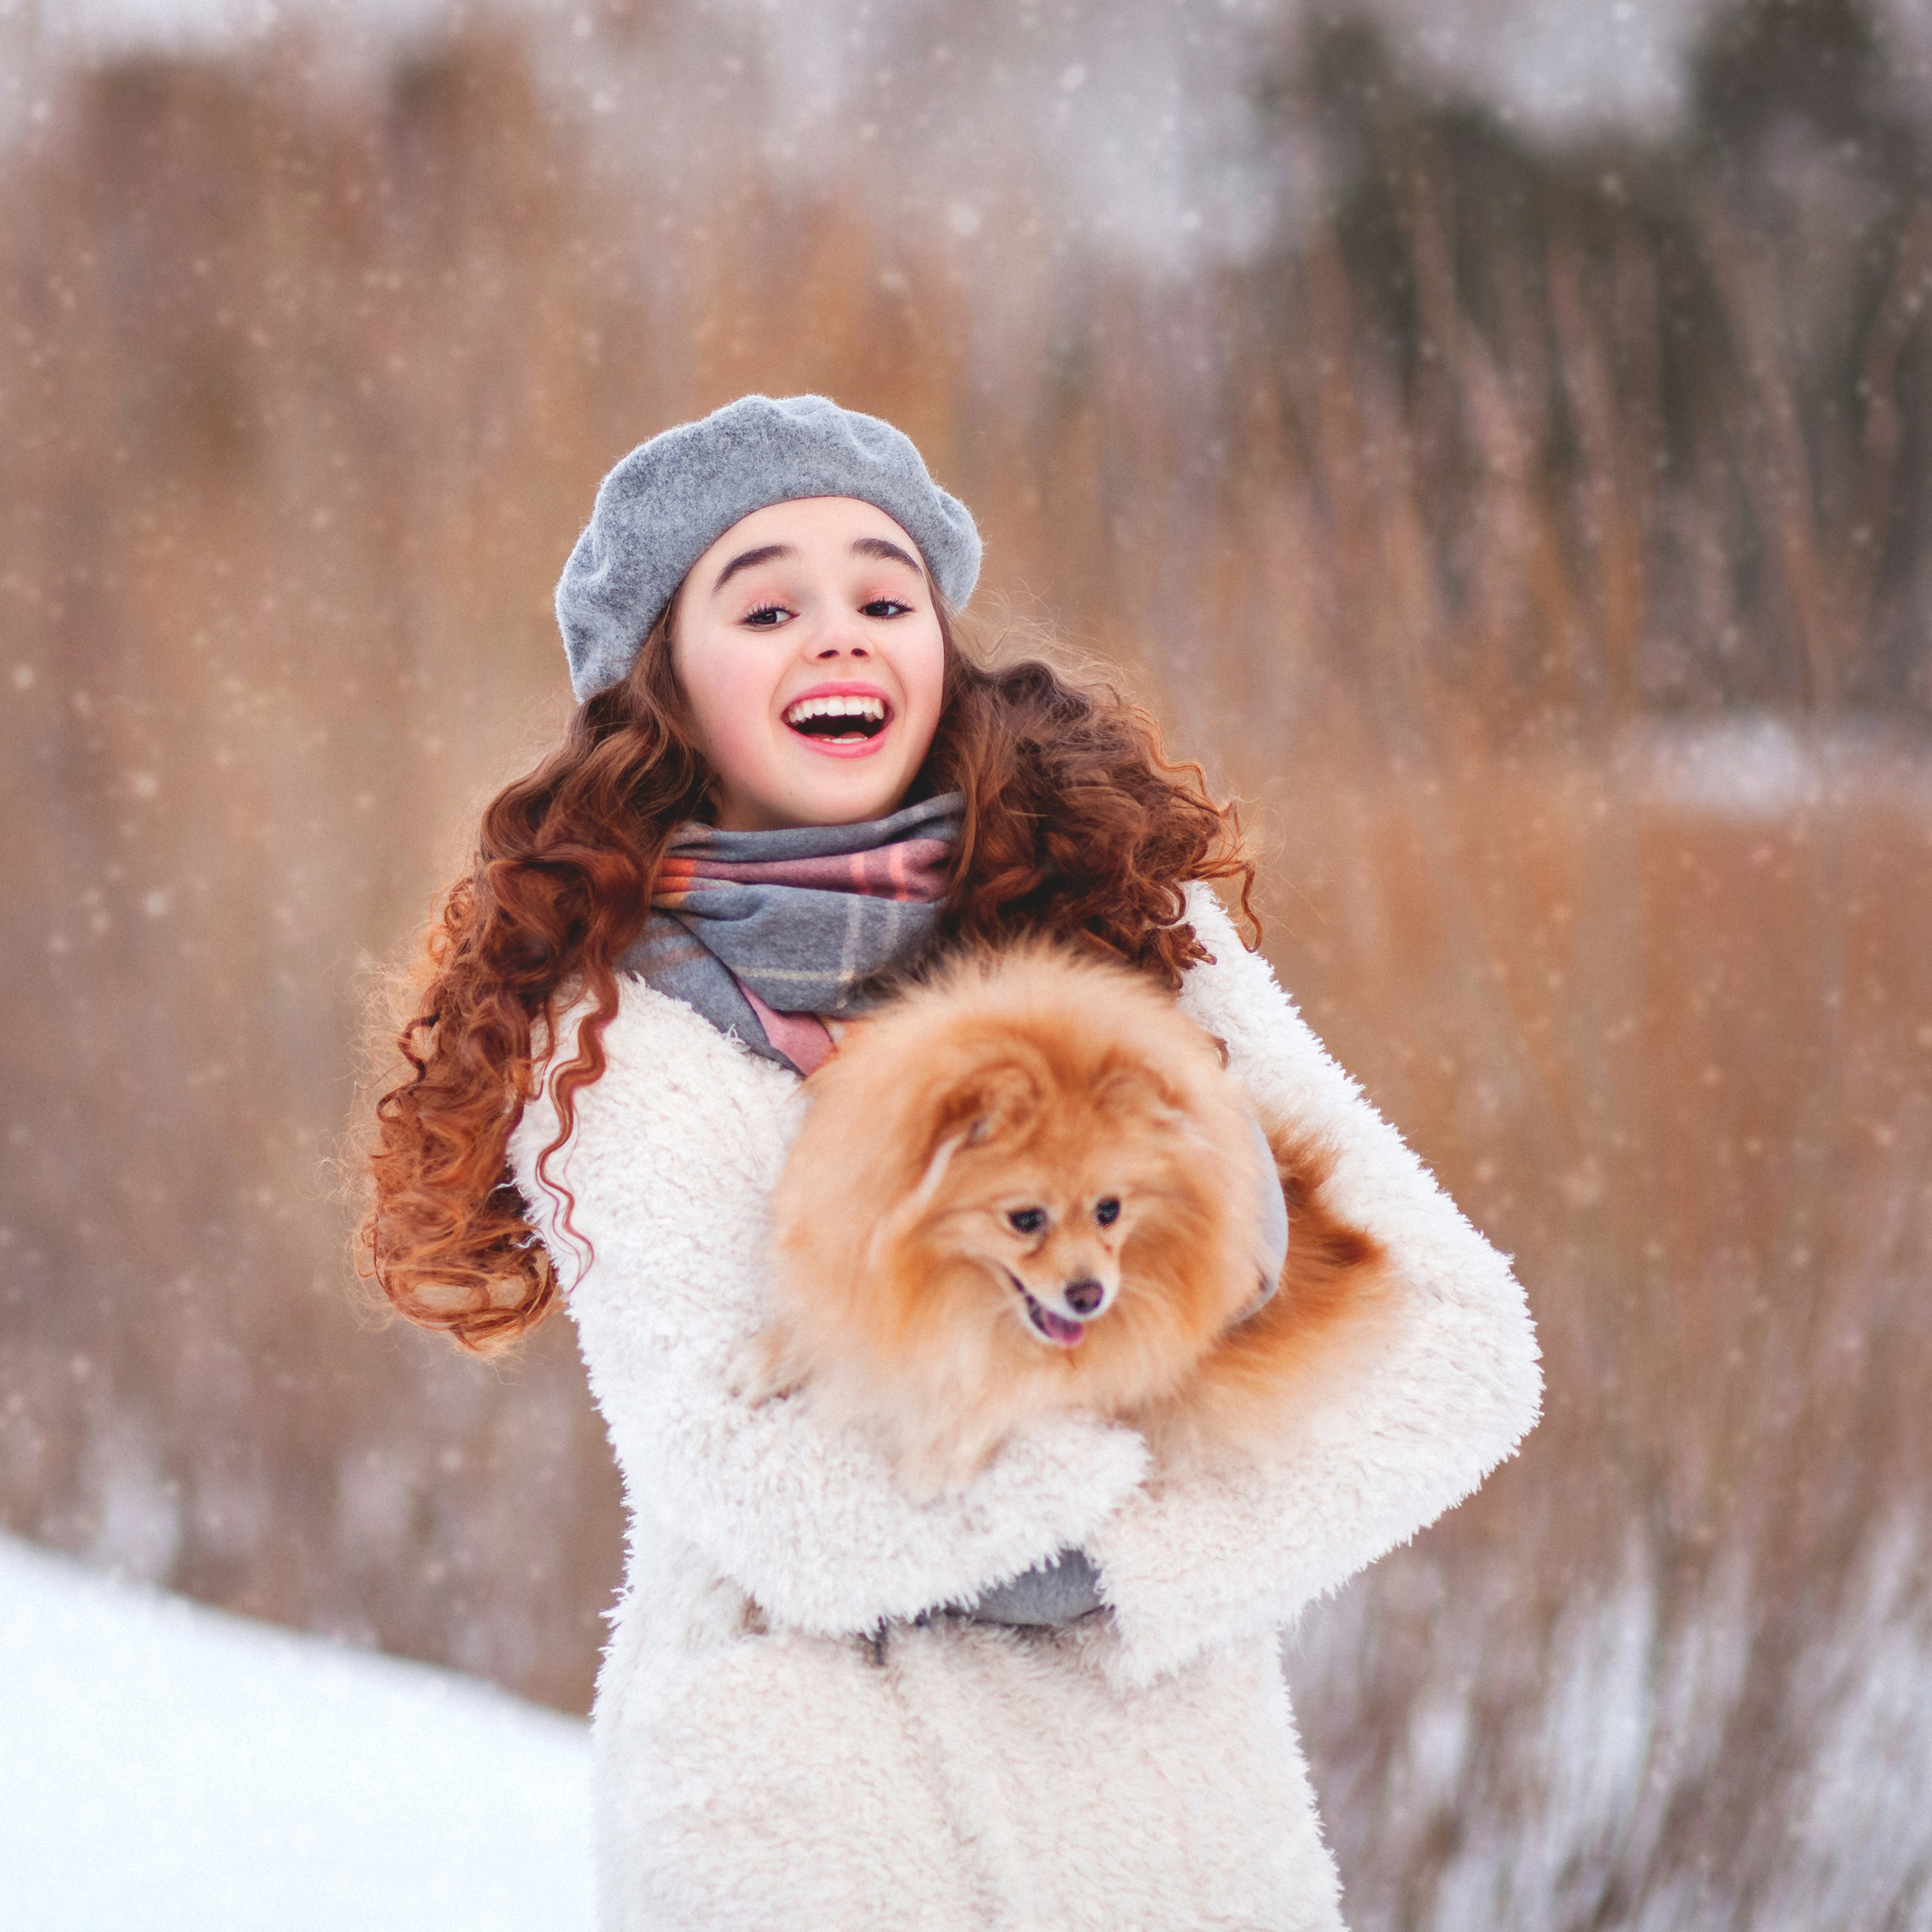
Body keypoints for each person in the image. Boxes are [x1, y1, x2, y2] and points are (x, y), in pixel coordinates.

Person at [361, 394, 1540, 1931]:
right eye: (768, 602)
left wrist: (1120, 1552)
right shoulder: (609, 1025)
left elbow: (1449, 1346)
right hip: (808, 1815)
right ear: (664, 683)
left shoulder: (1129, 933)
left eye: (882, 592)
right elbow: (753, 1470)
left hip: (1163, 1822)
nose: (837, 633)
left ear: (938, 642)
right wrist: (1163, 1403)